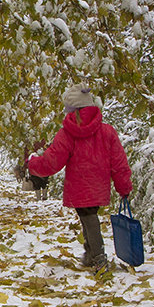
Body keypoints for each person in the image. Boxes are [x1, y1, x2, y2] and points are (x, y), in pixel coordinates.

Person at [26, 84, 132, 272]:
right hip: (99, 185)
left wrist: (32, 164)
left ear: (73, 110)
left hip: (79, 186)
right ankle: (90, 254)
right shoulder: (107, 132)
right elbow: (119, 163)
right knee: (88, 217)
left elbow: (52, 162)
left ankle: (99, 258)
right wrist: (124, 187)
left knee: (89, 218)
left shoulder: (68, 134)